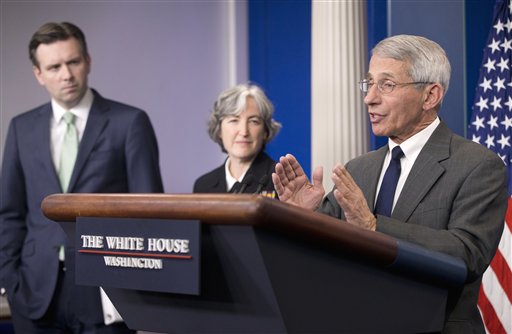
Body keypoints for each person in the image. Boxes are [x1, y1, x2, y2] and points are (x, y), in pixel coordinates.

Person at [272, 34, 508, 333]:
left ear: (430, 96)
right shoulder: (359, 169)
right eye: (368, 84)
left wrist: (373, 227)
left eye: (387, 85)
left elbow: (467, 254)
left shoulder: (476, 165)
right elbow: (318, 258)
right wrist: (301, 219)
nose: (370, 97)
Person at [0, 22, 164, 333]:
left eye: (73, 62)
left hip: (106, 292)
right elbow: (9, 213)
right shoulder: (21, 128)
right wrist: (10, 278)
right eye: (54, 66)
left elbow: (150, 213)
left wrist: (136, 290)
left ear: (88, 60)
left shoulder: (129, 123)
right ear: (38, 74)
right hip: (34, 292)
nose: (66, 75)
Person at [194, 83, 281, 196]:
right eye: (234, 120)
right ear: (219, 129)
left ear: (265, 131)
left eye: (253, 121)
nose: (244, 132)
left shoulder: (280, 180)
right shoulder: (203, 185)